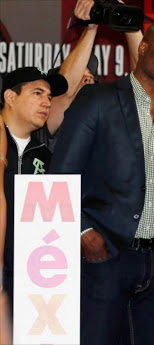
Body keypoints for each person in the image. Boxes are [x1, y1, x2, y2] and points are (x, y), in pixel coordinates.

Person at [50, 21, 154, 345]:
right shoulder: (98, 99)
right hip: (106, 257)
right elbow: (61, 176)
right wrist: (83, 232)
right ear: (143, 48)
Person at [0, 67, 68, 317]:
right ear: (10, 97)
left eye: (49, 97)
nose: (46, 103)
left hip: (34, 281)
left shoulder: (47, 157)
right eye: (37, 93)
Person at [35, 0, 143, 151]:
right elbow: (67, 88)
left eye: (91, 76)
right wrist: (90, 29)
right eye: (80, 76)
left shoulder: (110, 117)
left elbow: (144, 83)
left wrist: (131, 27)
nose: (88, 78)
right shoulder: (50, 121)